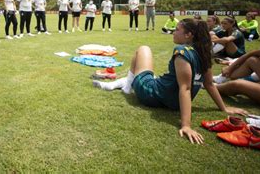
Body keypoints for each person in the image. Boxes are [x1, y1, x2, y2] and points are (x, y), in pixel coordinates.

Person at [93, 19, 247, 143]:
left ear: (188, 35)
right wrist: (223, 108)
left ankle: (127, 87)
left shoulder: (182, 51)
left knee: (143, 49)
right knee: (155, 74)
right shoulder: (204, 53)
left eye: (178, 30)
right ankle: (123, 84)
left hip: (151, 93)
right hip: (170, 100)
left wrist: (186, 125)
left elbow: (185, 88)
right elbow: (209, 84)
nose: (174, 32)